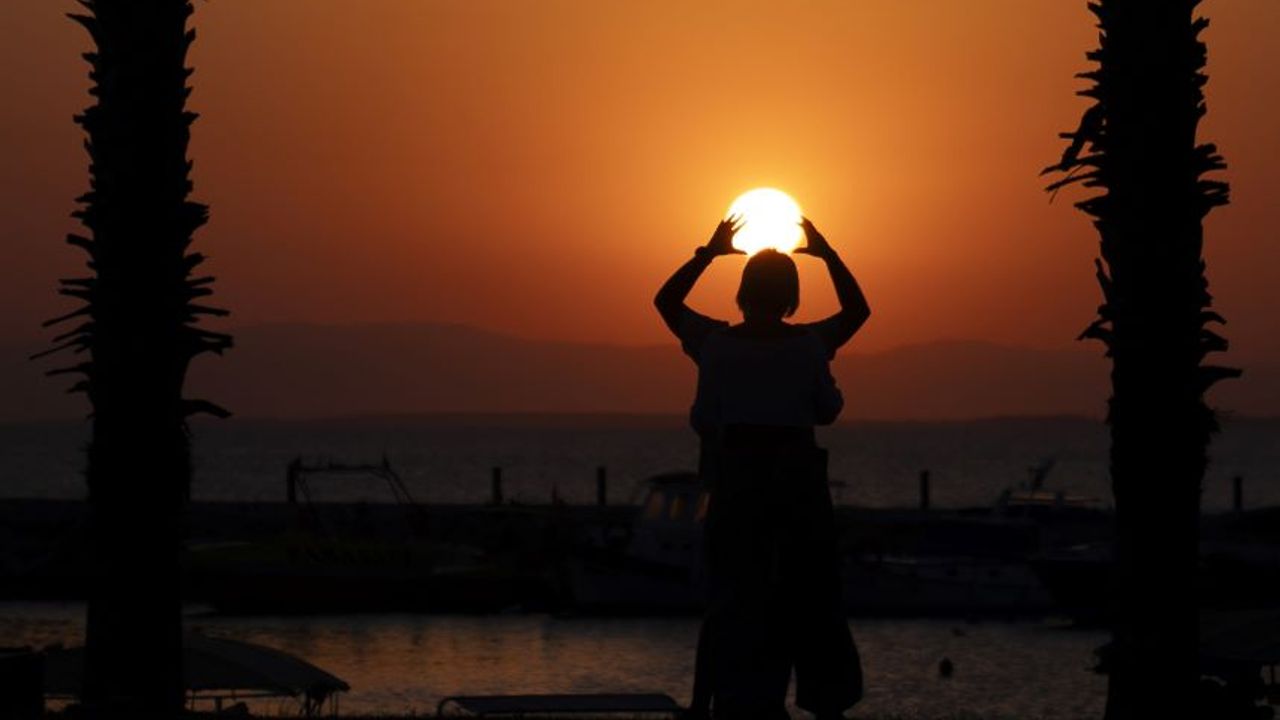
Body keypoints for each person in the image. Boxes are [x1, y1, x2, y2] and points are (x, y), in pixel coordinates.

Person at [654, 215, 870, 719]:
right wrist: (829, 254)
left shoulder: (715, 344)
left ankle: (702, 702)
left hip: (737, 480)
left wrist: (706, 254)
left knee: (728, 597)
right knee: (813, 599)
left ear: (742, 294)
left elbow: (664, 303)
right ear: (791, 298)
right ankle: (827, 706)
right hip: (798, 485)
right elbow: (858, 311)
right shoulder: (809, 344)